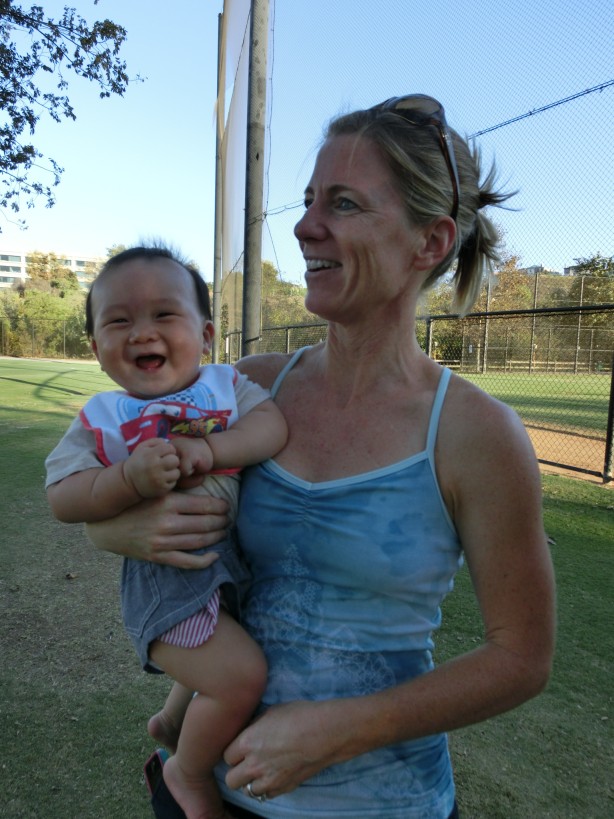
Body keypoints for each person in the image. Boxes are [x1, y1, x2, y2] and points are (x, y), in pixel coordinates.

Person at [86, 96, 556, 818]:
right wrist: (110, 529)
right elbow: (130, 498)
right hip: (216, 794)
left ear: (430, 241)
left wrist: (340, 731)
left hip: (385, 802)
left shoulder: (475, 433)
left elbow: (520, 657)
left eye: (343, 203)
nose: (305, 226)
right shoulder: (247, 389)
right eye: (308, 200)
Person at [45, 245, 288, 819]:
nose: (141, 332)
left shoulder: (226, 387)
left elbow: (271, 426)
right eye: (119, 321)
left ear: (205, 335)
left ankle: (173, 721)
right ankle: (187, 772)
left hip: (227, 563)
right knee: (240, 676)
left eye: (163, 314)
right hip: (166, 578)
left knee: (232, 642)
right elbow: (63, 496)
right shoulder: (104, 418)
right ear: (96, 348)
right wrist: (126, 479)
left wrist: (212, 449)